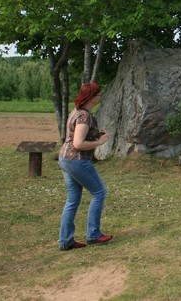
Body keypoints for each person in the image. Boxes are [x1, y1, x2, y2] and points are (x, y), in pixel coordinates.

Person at [58, 81, 113, 251]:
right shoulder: (84, 116)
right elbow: (78, 144)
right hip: (77, 160)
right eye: (98, 94)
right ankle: (93, 234)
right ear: (91, 97)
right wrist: (99, 142)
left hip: (65, 159)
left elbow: (75, 135)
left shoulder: (76, 112)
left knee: (72, 200)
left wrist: (96, 133)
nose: (100, 97)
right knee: (100, 192)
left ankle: (66, 240)